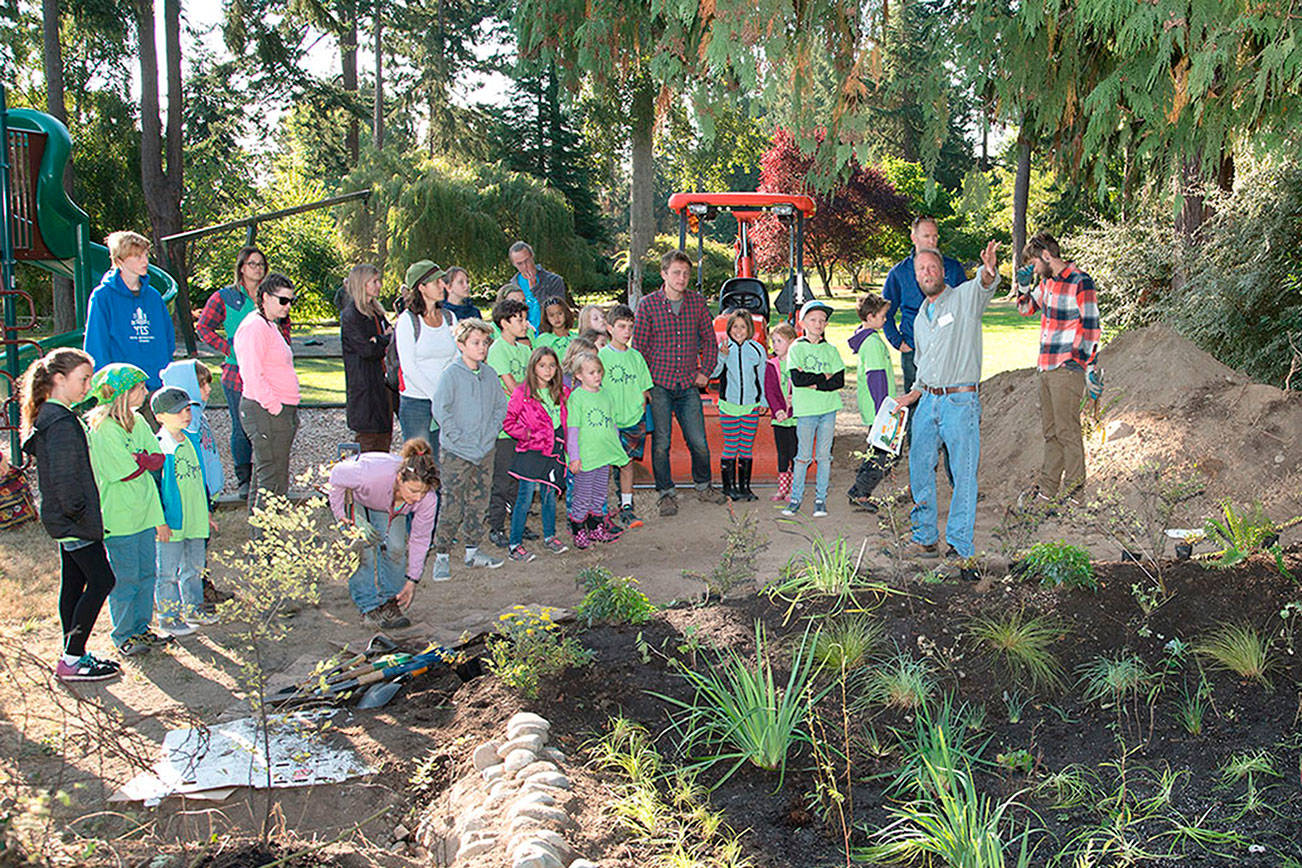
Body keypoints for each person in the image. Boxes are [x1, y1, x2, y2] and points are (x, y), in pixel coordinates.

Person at [894, 241, 1002, 566]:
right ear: (916, 278)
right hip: (927, 401)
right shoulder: (919, 319)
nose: (927, 273)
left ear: (943, 271)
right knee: (919, 469)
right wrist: (913, 394)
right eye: (920, 270)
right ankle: (925, 538)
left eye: (931, 267)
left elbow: (984, 285)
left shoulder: (964, 299)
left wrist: (989, 272)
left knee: (963, 473)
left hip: (960, 401)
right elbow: (923, 362)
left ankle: (959, 546)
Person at [20, 348, 121, 681]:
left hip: (66, 519)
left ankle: (71, 653)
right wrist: (81, 513)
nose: (88, 386)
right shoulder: (60, 422)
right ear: (58, 379)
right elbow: (65, 478)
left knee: (75, 582)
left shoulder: (56, 416)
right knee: (103, 579)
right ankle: (73, 658)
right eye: (83, 379)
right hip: (73, 519)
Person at [633, 250, 728, 516]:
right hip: (659, 384)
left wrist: (705, 371)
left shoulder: (697, 304)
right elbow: (638, 348)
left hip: (688, 384)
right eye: (676, 272)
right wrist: (644, 385)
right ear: (664, 274)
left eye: (686, 273)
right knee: (662, 442)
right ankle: (665, 493)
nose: (682, 278)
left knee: (698, 440)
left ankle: (703, 485)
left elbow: (709, 340)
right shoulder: (648, 305)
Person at [85, 364, 170, 657]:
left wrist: (141, 459)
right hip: (120, 517)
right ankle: (123, 634)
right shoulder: (104, 428)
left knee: (148, 573)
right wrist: (140, 461)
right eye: (140, 388)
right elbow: (123, 471)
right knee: (126, 578)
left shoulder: (138, 421)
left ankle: (141, 628)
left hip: (145, 512)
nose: (146, 393)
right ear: (123, 393)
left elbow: (157, 458)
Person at [1017, 233, 1101, 503]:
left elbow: (1091, 327)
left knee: (1067, 432)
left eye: (1033, 263)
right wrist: (1023, 286)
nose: (1032, 268)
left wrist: (1082, 364)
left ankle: (1076, 496)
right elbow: (1027, 309)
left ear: (1045, 255)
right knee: (1051, 433)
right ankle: (1047, 491)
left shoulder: (1080, 282)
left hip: (1067, 369)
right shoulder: (1047, 283)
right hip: (1045, 368)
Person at [196, 245, 284, 498]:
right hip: (238, 372)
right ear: (242, 268)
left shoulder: (274, 295)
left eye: (261, 264)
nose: (258, 268)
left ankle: (268, 478)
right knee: (242, 426)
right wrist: (229, 348)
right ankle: (244, 479)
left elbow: (284, 328)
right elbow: (204, 328)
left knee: (272, 425)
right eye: (252, 264)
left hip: (269, 371)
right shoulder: (225, 297)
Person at [328, 439, 440, 629]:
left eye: (423, 493)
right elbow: (336, 475)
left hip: (389, 505)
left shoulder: (427, 499)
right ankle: (368, 606)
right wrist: (343, 517)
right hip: (358, 494)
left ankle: (390, 601)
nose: (417, 498)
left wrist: (412, 580)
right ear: (399, 479)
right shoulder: (368, 475)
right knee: (363, 548)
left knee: (395, 547)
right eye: (413, 491)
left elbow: (420, 540)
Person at [430, 319, 510, 579]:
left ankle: (472, 551)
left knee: (479, 502)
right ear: (461, 344)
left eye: (485, 342)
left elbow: (500, 405)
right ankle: (441, 554)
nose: (482, 347)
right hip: (456, 452)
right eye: (476, 342)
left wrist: (490, 433)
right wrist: (456, 437)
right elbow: (441, 409)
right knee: (452, 503)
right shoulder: (451, 375)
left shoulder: (488, 374)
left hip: (485, 450)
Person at [83, 231, 177, 416]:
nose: (145, 261)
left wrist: (165, 372)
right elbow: (96, 344)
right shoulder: (102, 296)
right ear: (120, 260)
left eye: (145, 255)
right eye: (137, 256)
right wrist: (109, 387)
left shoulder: (154, 297)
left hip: (154, 385)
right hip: (122, 390)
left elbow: (167, 338)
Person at [152, 387, 218, 637]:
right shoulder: (159, 446)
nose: (185, 415)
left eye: (188, 409)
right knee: (167, 572)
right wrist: (160, 521)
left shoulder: (191, 439)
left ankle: (193, 608)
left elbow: (200, 480)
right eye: (177, 411)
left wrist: (207, 511)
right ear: (160, 416)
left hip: (196, 519)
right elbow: (156, 488)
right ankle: (169, 617)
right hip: (173, 522)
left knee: (194, 567)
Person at [233, 273, 300, 513]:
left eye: (291, 301)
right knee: (272, 482)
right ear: (265, 298)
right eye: (283, 300)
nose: (288, 306)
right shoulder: (253, 327)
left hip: (277, 410)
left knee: (266, 478)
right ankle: (266, 545)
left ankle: (260, 542)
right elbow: (251, 374)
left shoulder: (269, 325)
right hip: (265, 411)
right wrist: (275, 407)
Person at [882, 216, 967, 397]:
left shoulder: (952, 268)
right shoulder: (899, 273)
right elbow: (885, 312)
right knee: (915, 404)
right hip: (913, 350)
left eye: (935, 237)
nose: (932, 241)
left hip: (948, 350)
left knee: (950, 401)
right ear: (914, 238)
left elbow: (965, 308)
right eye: (926, 236)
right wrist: (898, 342)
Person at [501, 347, 571, 561]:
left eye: (551, 365)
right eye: (542, 365)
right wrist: (528, 434)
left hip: (555, 452)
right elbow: (508, 422)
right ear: (533, 367)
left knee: (550, 495)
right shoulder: (522, 393)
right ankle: (515, 544)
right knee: (525, 497)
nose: (547, 370)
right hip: (531, 451)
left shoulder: (562, 392)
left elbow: (571, 421)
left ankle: (550, 537)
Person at [783, 300, 846, 518]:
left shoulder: (831, 350)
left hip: (828, 409)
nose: (818, 324)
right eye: (813, 319)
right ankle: (795, 498)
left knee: (824, 456)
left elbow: (838, 380)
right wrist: (823, 378)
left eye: (822, 320)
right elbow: (798, 379)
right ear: (803, 323)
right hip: (807, 411)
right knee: (803, 457)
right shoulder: (796, 348)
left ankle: (820, 498)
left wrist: (815, 382)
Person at [486, 299, 535, 548]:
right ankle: (496, 525)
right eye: (520, 320)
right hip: (507, 427)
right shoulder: (497, 350)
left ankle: (518, 522)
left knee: (522, 477)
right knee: (502, 479)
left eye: (525, 319)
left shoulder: (525, 351)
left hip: (525, 425)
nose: (525, 324)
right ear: (504, 323)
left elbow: (534, 383)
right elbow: (513, 387)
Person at [565, 353, 628, 548]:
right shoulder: (577, 397)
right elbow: (573, 430)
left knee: (600, 494)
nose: (597, 376)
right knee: (583, 495)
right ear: (579, 375)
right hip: (586, 457)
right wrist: (574, 457)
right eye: (591, 372)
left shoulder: (606, 394)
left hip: (604, 455)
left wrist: (617, 449)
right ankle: (578, 531)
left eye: (599, 371)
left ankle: (596, 528)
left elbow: (612, 424)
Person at [394, 260, 459, 450]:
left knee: (444, 461)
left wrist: (447, 394)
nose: (443, 286)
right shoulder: (407, 321)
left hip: (446, 400)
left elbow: (455, 357)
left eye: (442, 281)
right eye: (437, 282)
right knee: (419, 464)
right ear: (421, 287)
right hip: (416, 402)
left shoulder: (449, 317)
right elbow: (409, 367)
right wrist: (435, 395)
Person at [599, 304, 652, 527]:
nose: (627, 331)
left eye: (630, 327)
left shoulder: (636, 357)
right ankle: (599, 510)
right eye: (622, 326)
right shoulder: (601, 356)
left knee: (627, 464)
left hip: (632, 419)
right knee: (602, 466)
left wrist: (640, 407)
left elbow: (645, 389)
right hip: (609, 422)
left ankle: (627, 506)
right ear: (610, 328)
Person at [846, 293, 898, 509]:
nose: (885, 319)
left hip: (877, 407)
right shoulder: (873, 343)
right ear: (870, 316)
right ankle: (861, 493)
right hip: (880, 408)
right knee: (884, 453)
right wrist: (883, 413)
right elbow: (876, 378)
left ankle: (858, 490)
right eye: (883, 315)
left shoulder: (867, 339)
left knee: (877, 451)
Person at [712, 309, 767, 501]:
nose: (739, 330)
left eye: (743, 327)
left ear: (749, 329)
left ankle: (745, 488)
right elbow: (713, 373)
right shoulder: (724, 349)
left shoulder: (757, 350)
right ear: (729, 328)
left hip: (750, 406)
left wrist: (764, 401)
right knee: (731, 445)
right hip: (729, 406)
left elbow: (762, 377)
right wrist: (722, 357)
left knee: (746, 447)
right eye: (735, 326)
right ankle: (729, 487)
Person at [341, 264, 394, 453]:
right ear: (362, 284)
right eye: (374, 281)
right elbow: (367, 350)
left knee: (384, 439)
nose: (379, 285)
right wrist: (383, 340)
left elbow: (390, 338)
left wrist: (379, 340)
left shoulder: (377, 313)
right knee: (367, 443)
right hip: (364, 388)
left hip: (382, 385)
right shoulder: (351, 316)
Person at [764, 323, 798, 503]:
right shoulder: (771, 364)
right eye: (773, 341)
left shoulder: (797, 363)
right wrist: (778, 411)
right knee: (783, 452)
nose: (775, 345)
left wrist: (792, 409)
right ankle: (783, 487)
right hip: (780, 419)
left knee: (796, 452)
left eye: (779, 341)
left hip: (796, 418)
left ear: (791, 342)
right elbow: (770, 390)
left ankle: (795, 486)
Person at [508, 240, 570, 331]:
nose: (525, 266)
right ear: (513, 264)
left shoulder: (554, 281)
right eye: (519, 264)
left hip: (548, 334)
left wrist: (535, 289)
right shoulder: (512, 286)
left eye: (527, 260)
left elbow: (557, 311)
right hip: (523, 336)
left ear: (532, 257)